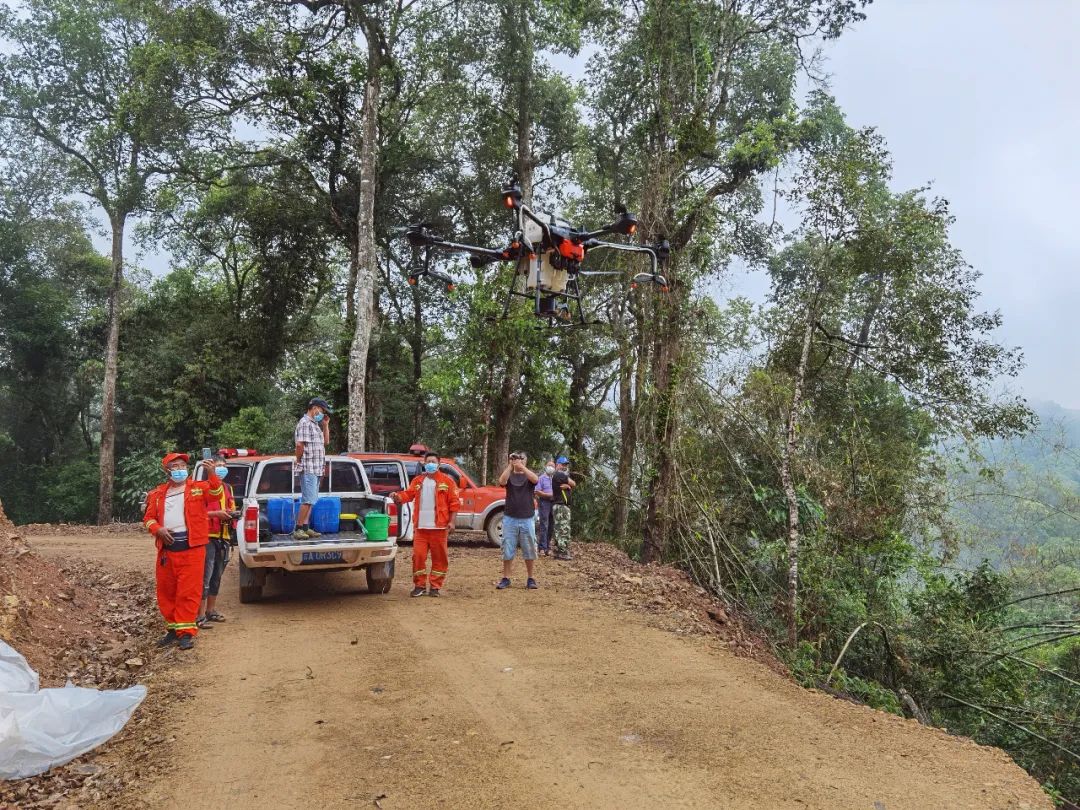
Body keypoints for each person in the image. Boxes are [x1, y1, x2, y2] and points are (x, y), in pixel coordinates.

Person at [142, 453, 231, 650]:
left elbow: (216, 493)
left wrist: (211, 474)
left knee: (188, 592)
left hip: (192, 550)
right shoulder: (157, 494)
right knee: (167, 592)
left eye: (183, 465)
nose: (180, 468)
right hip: (167, 552)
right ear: (168, 471)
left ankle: (186, 634)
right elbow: (148, 519)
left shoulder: (199, 488)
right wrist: (158, 530)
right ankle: (173, 630)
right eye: (175, 466)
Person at [392, 451, 460, 597]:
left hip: (439, 528)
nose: (430, 464)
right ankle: (419, 586)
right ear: (424, 463)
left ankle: (435, 587)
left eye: (433, 461)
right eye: (428, 461)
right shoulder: (417, 481)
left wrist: (452, 522)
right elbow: (408, 495)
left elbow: (454, 503)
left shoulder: (447, 482)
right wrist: (397, 497)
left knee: (440, 558)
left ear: (439, 464)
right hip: (421, 528)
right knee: (418, 557)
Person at [197, 454, 236, 629]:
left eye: (223, 465)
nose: (221, 468)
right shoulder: (200, 488)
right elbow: (195, 515)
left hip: (224, 536)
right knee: (205, 575)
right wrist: (215, 515)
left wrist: (232, 515)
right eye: (217, 465)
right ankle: (199, 615)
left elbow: (231, 508)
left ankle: (210, 611)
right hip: (207, 537)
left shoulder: (228, 488)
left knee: (216, 576)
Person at [496, 451, 539, 590]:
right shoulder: (510, 475)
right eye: (515, 458)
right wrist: (510, 465)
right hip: (510, 517)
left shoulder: (528, 476)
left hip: (527, 518)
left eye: (521, 458)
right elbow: (501, 481)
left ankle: (531, 578)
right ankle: (506, 577)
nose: (518, 461)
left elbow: (536, 479)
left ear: (526, 461)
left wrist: (522, 468)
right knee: (507, 547)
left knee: (529, 548)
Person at [293, 397, 331, 539]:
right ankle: (298, 529)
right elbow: (299, 445)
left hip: (316, 468)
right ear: (314, 407)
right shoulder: (304, 423)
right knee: (307, 500)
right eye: (321, 410)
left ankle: (305, 527)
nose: (322, 413)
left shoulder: (315, 424)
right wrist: (298, 460)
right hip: (308, 467)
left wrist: (325, 425)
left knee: (311, 500)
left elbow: (326, 442)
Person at [551, 455, 577, 560]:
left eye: (566, 465)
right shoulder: (559, 474)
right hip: (561, 506)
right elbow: (573, 483)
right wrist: (569, 485)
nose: (564, 467)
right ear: (557, 465)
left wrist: (568, 486)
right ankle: (562, 552)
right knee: (563, 529)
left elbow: (570, 485)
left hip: (560, 505)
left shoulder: (559, 476)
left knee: (559, 528)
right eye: (562, 464)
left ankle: (558, 551)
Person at [534, 459, 556, 556]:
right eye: (549, 465)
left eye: (553, 466)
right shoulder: (541, 478)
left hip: (554, 503)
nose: (551, 467)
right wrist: (548, 495)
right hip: (544, 503)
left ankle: (548, 547)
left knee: (551, 525)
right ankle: (542, 548)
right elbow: (537, 491)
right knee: (544, 525)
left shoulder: (555, 479)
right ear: (546, 467)